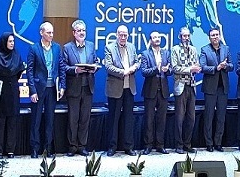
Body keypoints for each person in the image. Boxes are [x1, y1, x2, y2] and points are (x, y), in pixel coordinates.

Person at [27, 21, 66, 158]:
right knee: (36, 120)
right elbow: (29, 71)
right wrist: (32, 91)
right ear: (41, 33)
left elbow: (61, 68)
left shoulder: (57, 48)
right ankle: (34, 148)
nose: (51, 35)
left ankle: (48, 148)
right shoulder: (34, 48)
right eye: (48, 32)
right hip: (38, 89)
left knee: (50, 120)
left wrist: (62, 86)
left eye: (52, 32)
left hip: (52, 89)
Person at [63, 20, 98, 157]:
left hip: (88, 87)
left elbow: (95, 61)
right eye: (79, 30)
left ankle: (82, 146)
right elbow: (64, 67)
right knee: (73, 119)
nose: (82, 33)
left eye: (83, 30)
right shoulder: (67, 47)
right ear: (74, 33)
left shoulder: (90, 45)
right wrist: (75, 70)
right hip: (74, 88)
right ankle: (72, 146)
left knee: (85, 118)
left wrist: (95, 68)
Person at [0, 32, 25, 159]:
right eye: (9, 41)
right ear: (4, 42)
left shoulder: (16, 55)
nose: (12, 43)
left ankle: (10, 150)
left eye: (13, 41)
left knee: (12, 121)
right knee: (0, 121)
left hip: (13, 90)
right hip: (0, 90)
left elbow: (19, 72)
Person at [105, 24, 140, 157]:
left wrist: (134, 67)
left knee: (128, 118)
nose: (123, 37)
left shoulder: (131, 47)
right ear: (117, 35)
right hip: (115, 88)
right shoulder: (109, 48)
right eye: (121, 35)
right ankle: (112, 147)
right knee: (113, 119)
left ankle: (128, 146)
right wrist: (123, 72)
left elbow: (137, 62)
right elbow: (108, 66)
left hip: (129, 88)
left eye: (125, 35)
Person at [199, 27, 233, 152]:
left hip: (222, 88)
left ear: (220, 36)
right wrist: (216, 68)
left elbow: (232, 66)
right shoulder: (204, 50)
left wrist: (225, 66)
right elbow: (202, 67)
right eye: (213, 35)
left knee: (221, 117)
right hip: (210, 88)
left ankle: (218, 143)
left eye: (217, 35)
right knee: (209, 116)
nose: (215, 37)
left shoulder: (226, 49)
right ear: (209, 38)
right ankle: (209, 143)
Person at [140, 31, 172, 155]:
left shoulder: (166, 53)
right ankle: (148, 145)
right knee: (149, 119)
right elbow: (144, 72)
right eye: (154, 37)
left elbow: (170, 70)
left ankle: (160, 145)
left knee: (161, 119)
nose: (157, 39)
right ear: (150, 40)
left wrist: (167, 70)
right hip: (150, 90)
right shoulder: (145, 54)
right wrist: (156, 69)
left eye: (158, 37)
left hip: (163, 90)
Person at [171, 27, 201, 154]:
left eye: (188, 36)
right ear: (180, 37)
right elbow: (174, 67)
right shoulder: (175, 49)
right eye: (184, 36)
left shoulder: (193, 49)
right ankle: (179, 144)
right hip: (180, 86)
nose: (186, 38)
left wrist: (197, 68)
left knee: (191, 118)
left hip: (192, 85)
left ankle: (187, 144)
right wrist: (190, 69)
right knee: (179, 118)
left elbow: (197, 65)